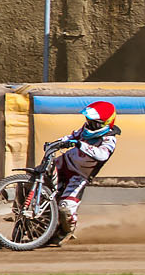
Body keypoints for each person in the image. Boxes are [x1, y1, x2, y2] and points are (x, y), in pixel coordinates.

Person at [47, 101, 121, 244]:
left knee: (65, 207)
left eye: (94, 122)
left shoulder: (109, 139)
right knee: (36, 177)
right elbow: (71, 136)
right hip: (63, 163)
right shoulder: (85, 128)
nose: (89, 124)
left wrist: (80, 144)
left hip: (78, 176)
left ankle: (66, 231)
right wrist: (55, 143)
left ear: (105, 123)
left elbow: (102, 155)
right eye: (89, 121)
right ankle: (20, 206)